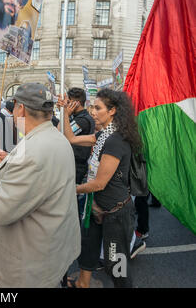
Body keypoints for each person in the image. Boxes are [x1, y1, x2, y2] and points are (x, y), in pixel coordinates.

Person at [0, 83, 81, 288]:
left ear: (20, 108)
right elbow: (42, 174)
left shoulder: (33, 151)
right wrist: (10, 159)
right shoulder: (57, 138)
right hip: (52, 248)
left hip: (29, 262)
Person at [58, 88, 143, 288]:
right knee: (88, 248)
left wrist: (71, 189)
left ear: (112, 111)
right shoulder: (103, 135)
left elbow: (99, 183)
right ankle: (83, 283)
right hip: (95, 206)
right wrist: (65, 113)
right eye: (92, 107)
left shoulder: (116, 140)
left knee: (115, 262)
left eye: (98, 108)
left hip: (115, 213)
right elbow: (70, 139)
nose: (92, 112)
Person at [59, 88, 95, 221]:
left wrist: (65, 115)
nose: (66, 105)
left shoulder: (83, 120)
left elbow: (60, 133)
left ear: (77, 103)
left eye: (69, 102)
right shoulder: (80, 117)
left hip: (76, 165)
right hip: (75, 163)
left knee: (70, 204)